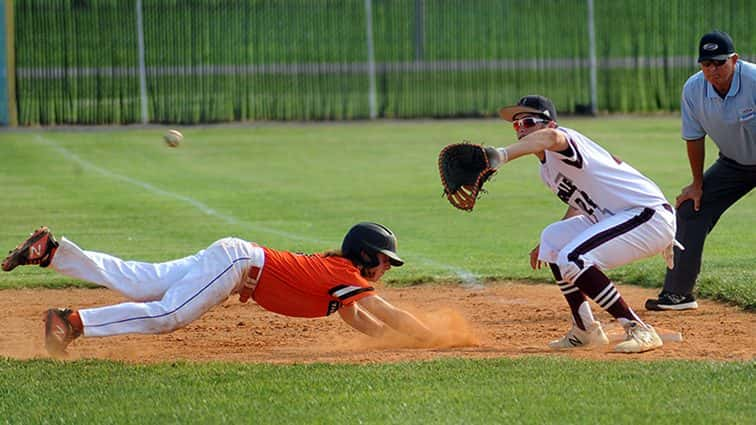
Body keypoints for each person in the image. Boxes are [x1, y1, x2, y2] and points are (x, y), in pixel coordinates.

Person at [2, 223, 435, 356]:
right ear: (363, 255)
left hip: (234, 257)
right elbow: (389, 313)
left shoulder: (342, 280)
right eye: (383, 259)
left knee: (141, 280)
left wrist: (394, 342)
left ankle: (52, 252)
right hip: (237, 264)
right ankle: (70, 322)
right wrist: (431, 337)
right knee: (168, 314)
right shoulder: (348, 276)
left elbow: (358, 317)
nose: (386, 268)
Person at [494, 95, 675, 353]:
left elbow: (551, 138)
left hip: (648, 216)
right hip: (622, 218)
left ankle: (638, 328)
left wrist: (501, 155)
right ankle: (585, 330)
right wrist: (549, 247)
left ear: (550, 124)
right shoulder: (547, 169)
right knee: (554, 241)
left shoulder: (563, 139)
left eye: (529, 121)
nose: (522, 128)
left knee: (574, 257)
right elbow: (579, 202)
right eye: (517, 125)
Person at [645, 30, 755, 311]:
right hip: (734, 164)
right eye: (707, 64)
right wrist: (696, 184)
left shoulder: (754, 81)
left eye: (720, 63)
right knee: (690, 210)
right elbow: (694, 138)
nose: (713, 70)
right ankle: (678, 294)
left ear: (735, 59)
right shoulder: (694, 89)